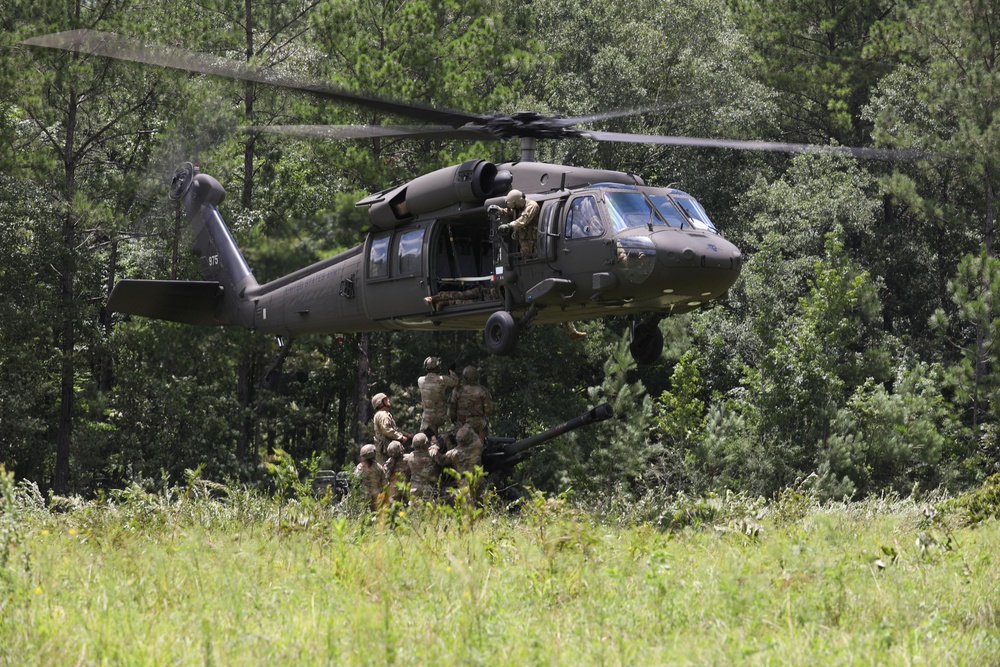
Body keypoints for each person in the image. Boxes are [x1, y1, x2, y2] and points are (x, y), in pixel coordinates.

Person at [448, 365, 493, 442]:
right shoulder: (483, 391)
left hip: (461, 424)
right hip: (479, 425)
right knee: (483, 437)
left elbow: (451, 410)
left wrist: (456, 421)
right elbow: (488, 410)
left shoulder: (457, 390)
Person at [417, 356, 459, 434]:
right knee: (445, 441)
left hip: (427, 418)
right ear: (437, 367)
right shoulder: (443, 380)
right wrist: (451, 372)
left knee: (427, 441)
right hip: (440, 417)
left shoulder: (420, 380)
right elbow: (455, 381)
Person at [443, 424, 484, 498]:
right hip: (478, 479)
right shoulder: (478, 445)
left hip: (465, 483)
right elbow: (474, 434)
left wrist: (436, 444)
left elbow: (441, 460)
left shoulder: (454, 453)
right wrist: (466, 427)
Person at [371, 392, 410, 464]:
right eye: (385, 399)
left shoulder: (382, 414)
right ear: (380, 403)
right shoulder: (383, 415)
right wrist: (400, 437)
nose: (388, 400)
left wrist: (407, 435)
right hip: (386, 449)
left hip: (385, 448)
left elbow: (394, 428)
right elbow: (387, 430)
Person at [404, 432, 443, 502]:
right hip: (429, 488)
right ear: (426, 443)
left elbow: (407, 473)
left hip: (414, 489)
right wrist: (435, 445)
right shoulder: (431, 454)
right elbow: (442, 461)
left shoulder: (410, 456)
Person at [498, 189, 539, 254]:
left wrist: (509, 225)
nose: (515, 209)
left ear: (518, 202)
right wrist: (499, 210)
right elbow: (510, 211)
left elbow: (523, 220)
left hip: (533, 243)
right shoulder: (518, 207)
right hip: (524, 243)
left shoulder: (532, 206)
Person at [353, 444, 387, 510]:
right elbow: (385, 483)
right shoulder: (379, 467)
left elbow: (355, 482)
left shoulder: (359, 467)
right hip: (376, 496)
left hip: (363, 496)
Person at [423, 285, 500, 312]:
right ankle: (434, 298)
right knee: (461, 295)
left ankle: (444, 302)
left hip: (484, 301)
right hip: (482, 292)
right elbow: (494, 290)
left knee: (462, 303)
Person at [384, 439, 409, 504]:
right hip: (405, 487)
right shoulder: (408, 458)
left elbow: (386, 475)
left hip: (394, 489)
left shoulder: (388, 462)